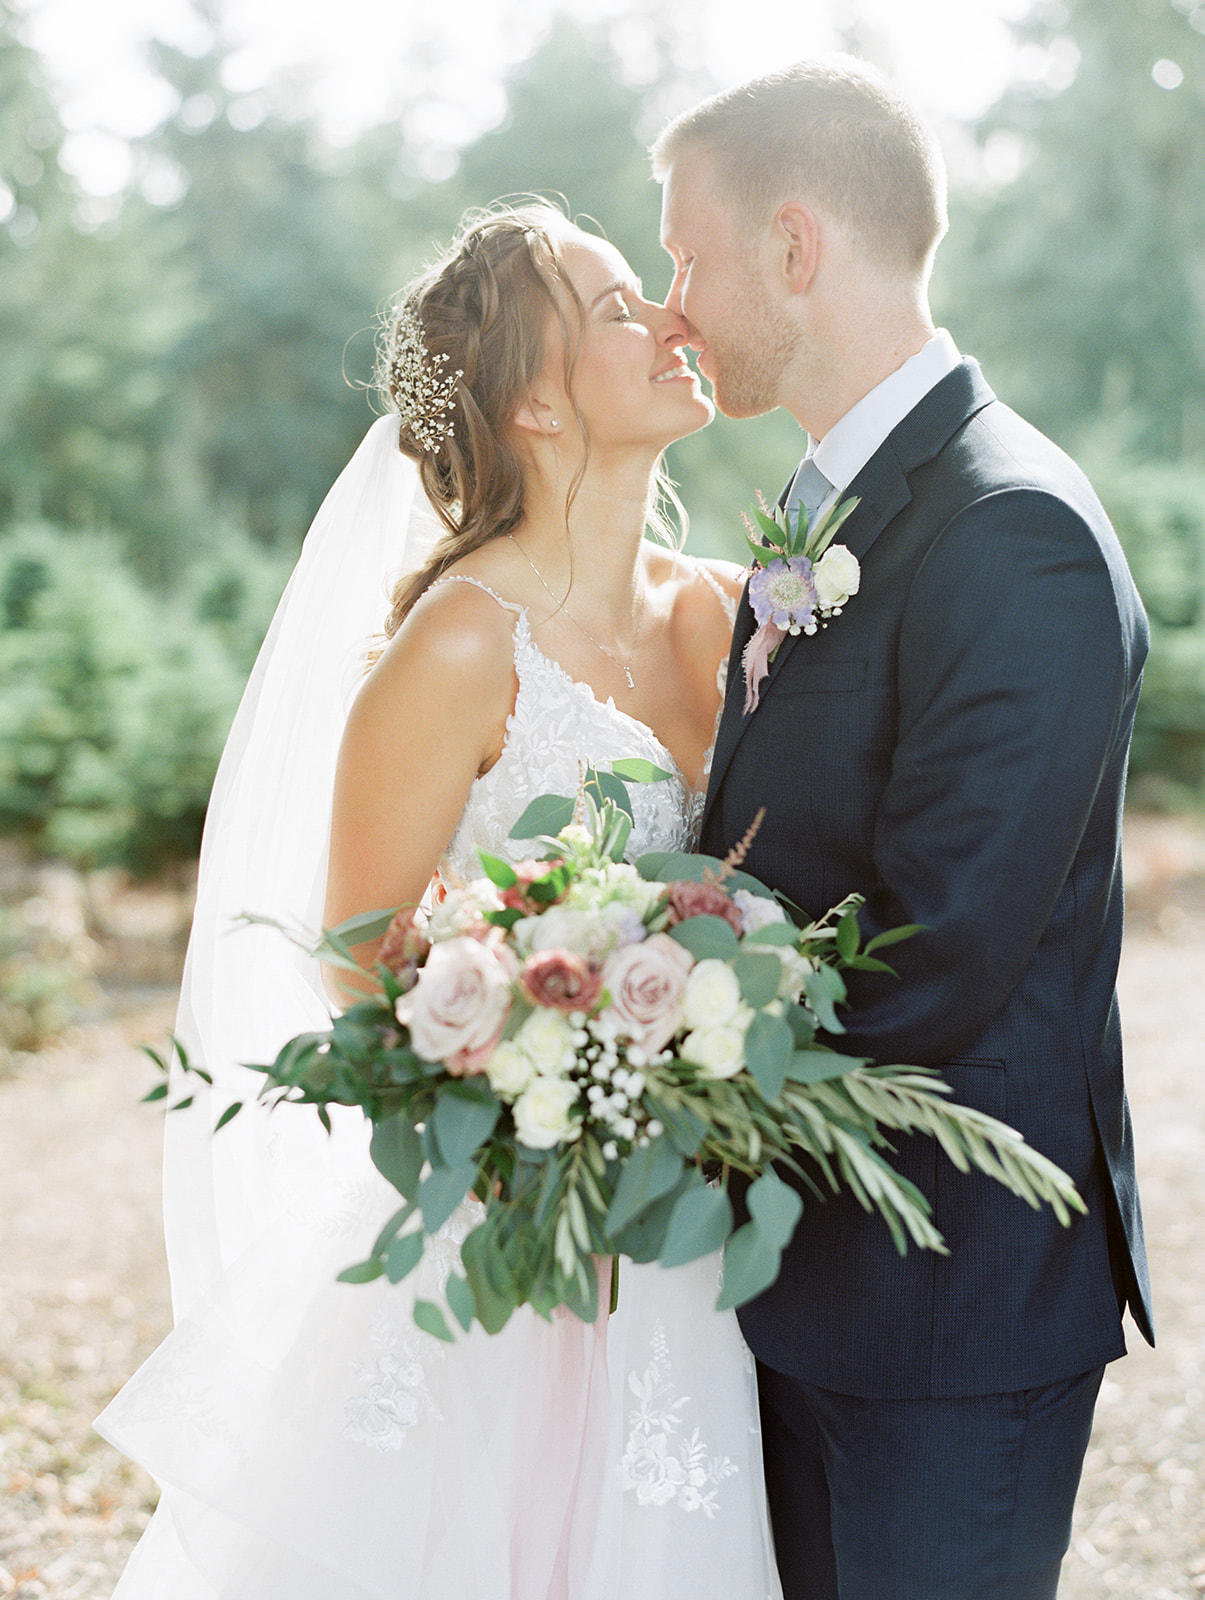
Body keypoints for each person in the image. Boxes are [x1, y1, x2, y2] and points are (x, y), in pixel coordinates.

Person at [96, 204, 784, 1599]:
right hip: (524, 1226)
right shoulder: (461, 645)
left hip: (710, 1211)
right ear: (533, 396)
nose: (667, 317)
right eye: (610, 306)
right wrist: (542, 1085)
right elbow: (351, 957)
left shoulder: (733, 609)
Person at [652, 57, 1153, 1600]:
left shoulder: (1013, 529)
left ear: (796, 248)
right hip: (810, 1268)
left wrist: (639, 1072)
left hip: (939, 1301)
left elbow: (936, 947)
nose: (673, 301)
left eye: (688, 254)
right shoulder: (846, 511)